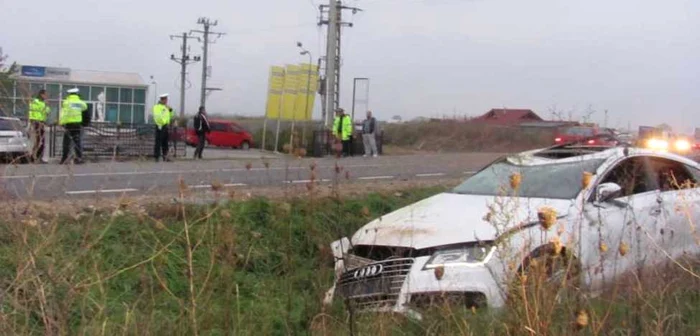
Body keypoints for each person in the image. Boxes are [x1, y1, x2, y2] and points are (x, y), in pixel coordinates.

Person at [59, 88, 88, 165]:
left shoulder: (66, 102)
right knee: (77, 141)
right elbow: (85, 108)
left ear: (69, 94)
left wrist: (61, 122)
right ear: (77, 94)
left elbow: (63, 114)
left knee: (66, 142)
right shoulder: (81, 103)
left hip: (68, 125)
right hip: (77, 125)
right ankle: (79, 158)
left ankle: (64, 159)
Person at [28, 89, 50, 163]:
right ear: (41, 94)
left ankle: (34, 157)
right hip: (38, 123)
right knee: (40, 141)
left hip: (39, 122)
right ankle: (36, 157)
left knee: (39, 141)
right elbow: (46, 112)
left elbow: (47, 112)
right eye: (45, 95)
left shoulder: (36, 102)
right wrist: (46, 105)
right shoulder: (39, 103)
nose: (46, 96)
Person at [153, 93, 174, 162]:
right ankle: (157, 157)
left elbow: (170, 116)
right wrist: (163, 123)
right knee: (158, 142)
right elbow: (157, 117)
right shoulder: (157, 107)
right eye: (165, 99)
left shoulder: (166, 107)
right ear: (162, 99)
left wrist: (170, 110)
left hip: (165, 126)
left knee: (165, 142)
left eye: (167, 99)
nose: (167, 101)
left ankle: (166, 157)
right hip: (160, 126)